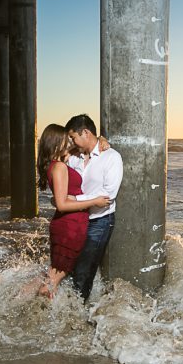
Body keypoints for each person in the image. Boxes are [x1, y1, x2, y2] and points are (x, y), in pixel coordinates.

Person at [36, 124, 110, 298]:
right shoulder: (60, 167)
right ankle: (38, 314)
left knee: (52, 274)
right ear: (57, 142)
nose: (69, 141)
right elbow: (61, 204)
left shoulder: (57, 163)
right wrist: (95, 201)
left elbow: (85, 144)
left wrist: (101, 140)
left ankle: (20, 303)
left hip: (67, 225)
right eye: (66, 139)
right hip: (70, 227)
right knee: (53, 279)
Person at [65, 114, 123, 302]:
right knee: (71, 265)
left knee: (84, 270)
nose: (72, 141)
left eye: (73, 137)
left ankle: (78, 314)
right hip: (75, 220)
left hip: (99, 221)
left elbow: (108, 195)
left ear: (85, 133)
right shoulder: (74, 157)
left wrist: (74, 199)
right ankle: (74, 306)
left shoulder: (112, 157)